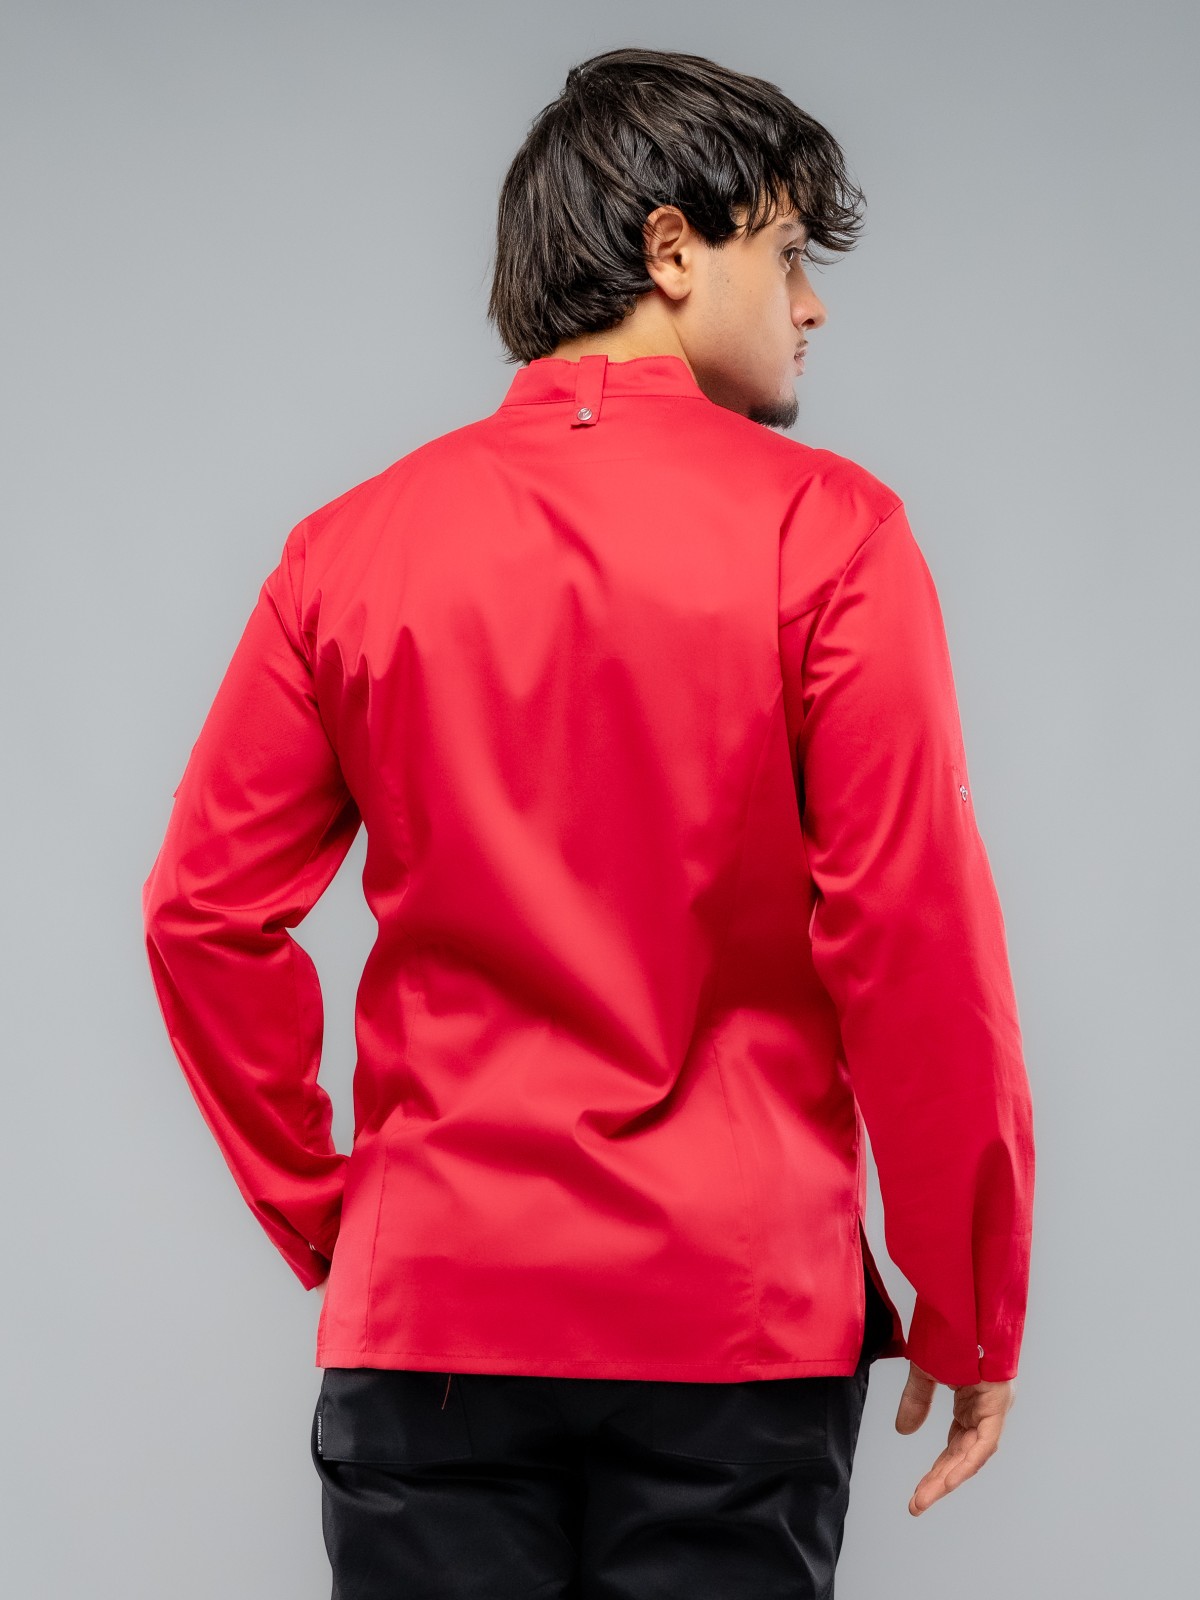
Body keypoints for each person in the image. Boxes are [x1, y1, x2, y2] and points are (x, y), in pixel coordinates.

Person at [141, 45, 1036, 1597]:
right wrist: (967, 1300)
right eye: (788, 254)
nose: (811, 304)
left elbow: (201, 916)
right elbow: (912, 933)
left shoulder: (344, 552)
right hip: (735, 1321)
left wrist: (336, 1218)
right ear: (672, 250)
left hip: (434, 1308)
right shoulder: (828, 536)